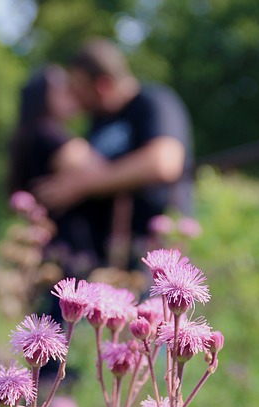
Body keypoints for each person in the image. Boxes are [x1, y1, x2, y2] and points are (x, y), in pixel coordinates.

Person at [32, 38, 195, 270]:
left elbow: (165, 162)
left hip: (157, 253)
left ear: (102, 85)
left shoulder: (154, 101)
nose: (76, 98)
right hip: (110, 258)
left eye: (80, 89)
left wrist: (83, 185)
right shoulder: (98, 122)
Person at [8, 64, 108, 275]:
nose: (73, 95)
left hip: (48, 250)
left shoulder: (26, 135)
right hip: (69, 251)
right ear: (45, 96)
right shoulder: (48, 134)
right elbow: (98, 168)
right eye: (65, 89)